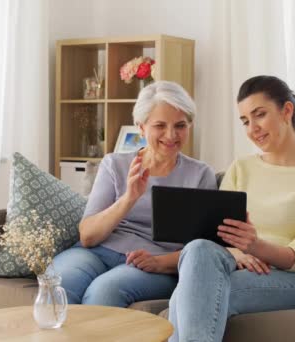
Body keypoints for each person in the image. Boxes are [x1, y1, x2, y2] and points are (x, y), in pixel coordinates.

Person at [168, 75, 295, 342]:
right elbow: (216, 237)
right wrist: (238, 253)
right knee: (198, 248)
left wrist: (255, 246)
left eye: (259, 115)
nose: (252, 129)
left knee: (191, 294)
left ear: (287, 110)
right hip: (240, 269)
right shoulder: (241, 168)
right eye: (245, 121)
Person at [52, 81, 217, 307]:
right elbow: (88, 237)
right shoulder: (114, 164)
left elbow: (204, 251)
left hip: (153, 264)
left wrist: (160, 262)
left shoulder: (200, 175)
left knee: (104, 292)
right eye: (160, 125)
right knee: (60, 284)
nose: (171, 135)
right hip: (98, 252)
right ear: (141, 127)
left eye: (180, 125)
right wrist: (129, 197)